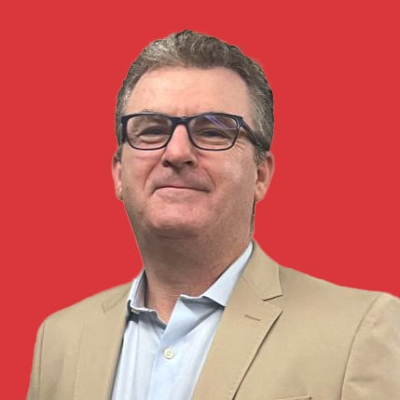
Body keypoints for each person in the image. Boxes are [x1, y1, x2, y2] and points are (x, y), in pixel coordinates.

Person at [27, 30, 400, 400]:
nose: (177, 152)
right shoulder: (60, 340)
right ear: (119, 174)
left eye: (212, 131)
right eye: (152, 130)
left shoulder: (360, 331)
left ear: (260, 175)